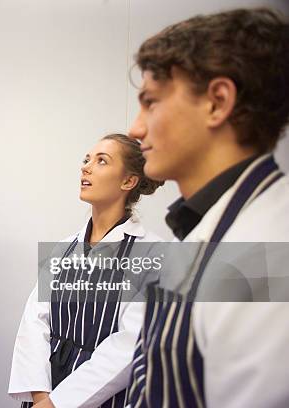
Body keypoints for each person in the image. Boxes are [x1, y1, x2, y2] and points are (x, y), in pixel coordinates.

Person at [125, 8, 289, 408]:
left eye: (150, 102)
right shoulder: (210, 227)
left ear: (217, 102)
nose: (135, 128)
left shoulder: (267, 253)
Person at [9, 134, 163, 408]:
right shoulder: (65, 247)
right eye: (86, 159)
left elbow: (130, 344)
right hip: (44, 388)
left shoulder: (150, 252)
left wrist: (59, 403)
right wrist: (40, 394)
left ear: (128, 181)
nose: (86, 167)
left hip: (99, 397)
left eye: (102, 161)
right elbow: (34, 321)